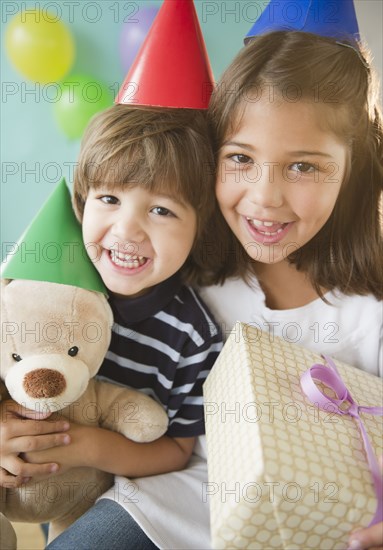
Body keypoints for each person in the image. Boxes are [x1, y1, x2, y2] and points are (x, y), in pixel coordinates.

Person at [0, 101, 224, 549]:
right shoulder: (37, 284)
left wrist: (86, 446)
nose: (127, 230)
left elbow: (177, 451)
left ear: (200, 228)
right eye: (109, 199)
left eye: (161, 210)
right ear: (83, 202)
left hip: (95, 493)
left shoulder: (192, 337)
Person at [198, 28, 383, 550]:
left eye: (303, 166)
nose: (264, 197)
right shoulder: (189, 275)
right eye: (239, 158)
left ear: (352, 171)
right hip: (172, 502)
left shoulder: (368, 316)